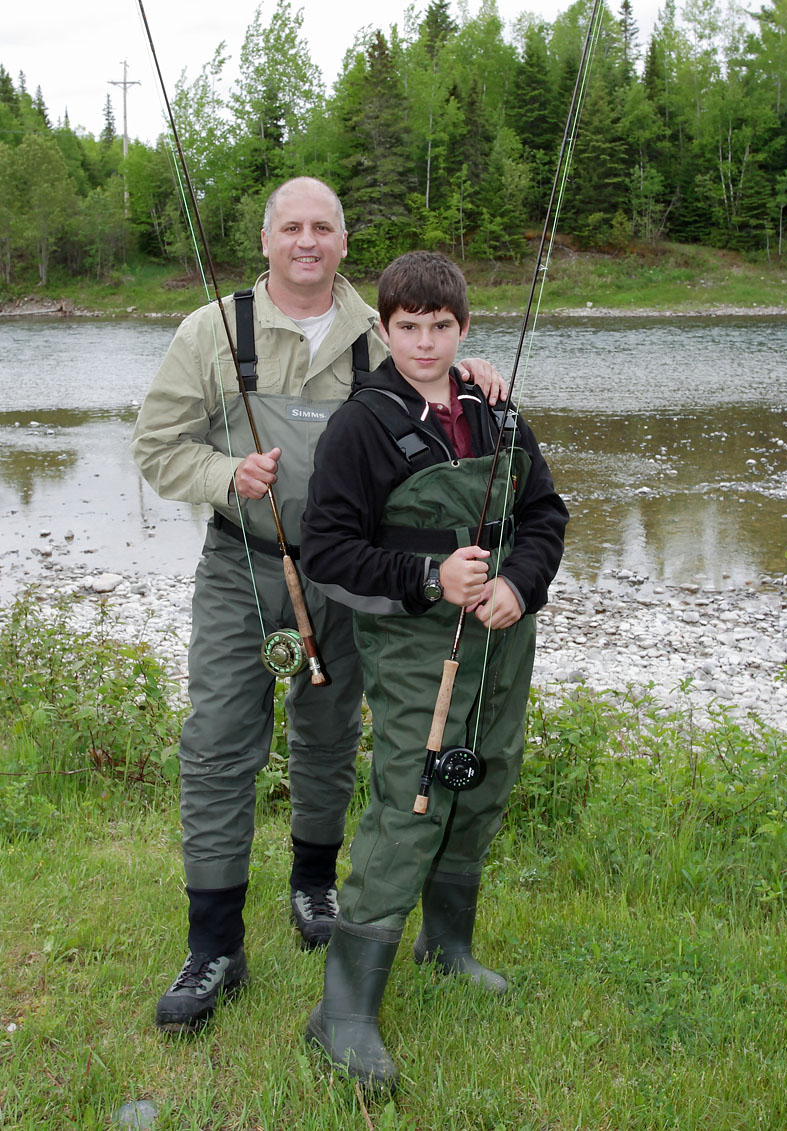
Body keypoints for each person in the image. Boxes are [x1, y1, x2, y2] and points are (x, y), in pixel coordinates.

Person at [130, 178, 506, 1034]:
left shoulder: (383, 334)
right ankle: (214, 944)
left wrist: (473, 375)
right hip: (240, 569)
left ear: (343, 244)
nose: (307, 241)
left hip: (346, 576)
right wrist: (227, 477)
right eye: (291, 227)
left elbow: (435, 382)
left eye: (323, 228)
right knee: (219, 742)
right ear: (265, 241)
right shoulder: (210, 332)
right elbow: (156, 447)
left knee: (330, 737)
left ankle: (313, 888)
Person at [299, 250, 568, 1091]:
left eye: (440, 326)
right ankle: (341, 1011)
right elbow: (329, 551)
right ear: (383, 329)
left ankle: (448, 946)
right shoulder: (360, 425)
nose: (424, 341)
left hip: (501, 638)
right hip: (415, 644)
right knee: (413, 797)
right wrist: (430, 576)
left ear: (461, 327)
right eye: (407, 327)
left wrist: (520, 587)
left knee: (483, 778)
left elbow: (544, 514)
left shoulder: (496, 408)